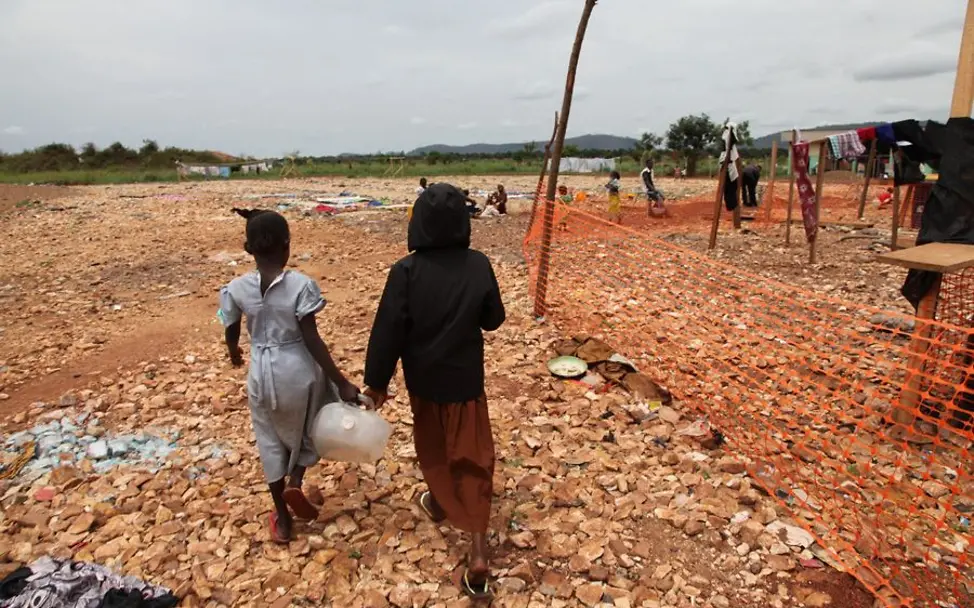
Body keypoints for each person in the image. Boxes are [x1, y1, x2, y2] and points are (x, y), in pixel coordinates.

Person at [363, 184, 505, 600]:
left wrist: (377, 383)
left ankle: (442, 502)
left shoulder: (405, 271)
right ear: (462, 222)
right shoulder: (478, 265)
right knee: (474, 458)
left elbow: (387, 332)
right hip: (465, 384)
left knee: (436, 449)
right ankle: (477, 550)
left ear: (419, 223)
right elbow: (493, 319)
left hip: (423, 383)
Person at [220, 209, 360, 544]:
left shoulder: (235, 289)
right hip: (298, 367)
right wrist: (341, 381)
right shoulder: (300, 285)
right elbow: (311, 337)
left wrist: (234, 353)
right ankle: (296, 479)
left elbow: (229, 327)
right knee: (314, 421)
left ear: (247, 248)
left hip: (261, 371)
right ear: (287, 246)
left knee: (268, 438)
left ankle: (282, 520)